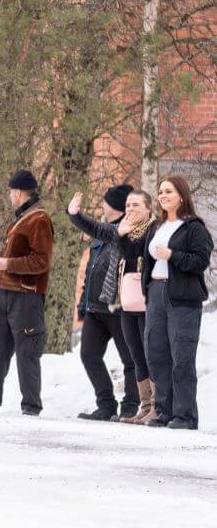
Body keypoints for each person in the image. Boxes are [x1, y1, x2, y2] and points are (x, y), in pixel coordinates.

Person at [0, 170, 55, 416]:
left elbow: (41, 262)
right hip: (4, 292)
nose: (9, 195)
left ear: (18, 192)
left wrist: (7, 264)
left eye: (10, 191)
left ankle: (31, 406)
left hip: (26, 296)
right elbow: (19, 256)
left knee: (27, 351)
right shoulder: (21, 218)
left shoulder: (38, 219)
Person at [141, 176, 214, 429]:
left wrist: (172, 255)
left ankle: (185, 416)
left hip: (182, 299)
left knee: (181, 357)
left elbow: (200, 262)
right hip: (156, 293)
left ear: (181, 196)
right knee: (157, 354)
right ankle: (164, 412)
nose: (162, 195)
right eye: (160, 191)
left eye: (168, 191)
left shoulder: (194, 227)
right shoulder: (156, 227)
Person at [66, 184, 140, 421]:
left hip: (119, 308)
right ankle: (106, 403)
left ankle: (130, 406)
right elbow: (91, 270)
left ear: (116, 207)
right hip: (96, 308)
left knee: (130, 359)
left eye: (106, 202)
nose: (102, 205)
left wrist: (77, 216)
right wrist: (82, 304)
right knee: (89, 355)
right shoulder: (103, 234)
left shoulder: (129, 232)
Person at [115, 190, 158, 424]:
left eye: (136, 205)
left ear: (148, 208)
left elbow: (134, 251)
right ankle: (146, 405)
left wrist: (121, 236)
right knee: (136, 355)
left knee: (151, 354)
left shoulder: (153, 230)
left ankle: (157, 406)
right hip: (128, 301)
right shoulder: (126, 230)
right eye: (128, 205)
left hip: (147, 301)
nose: (130, 209)